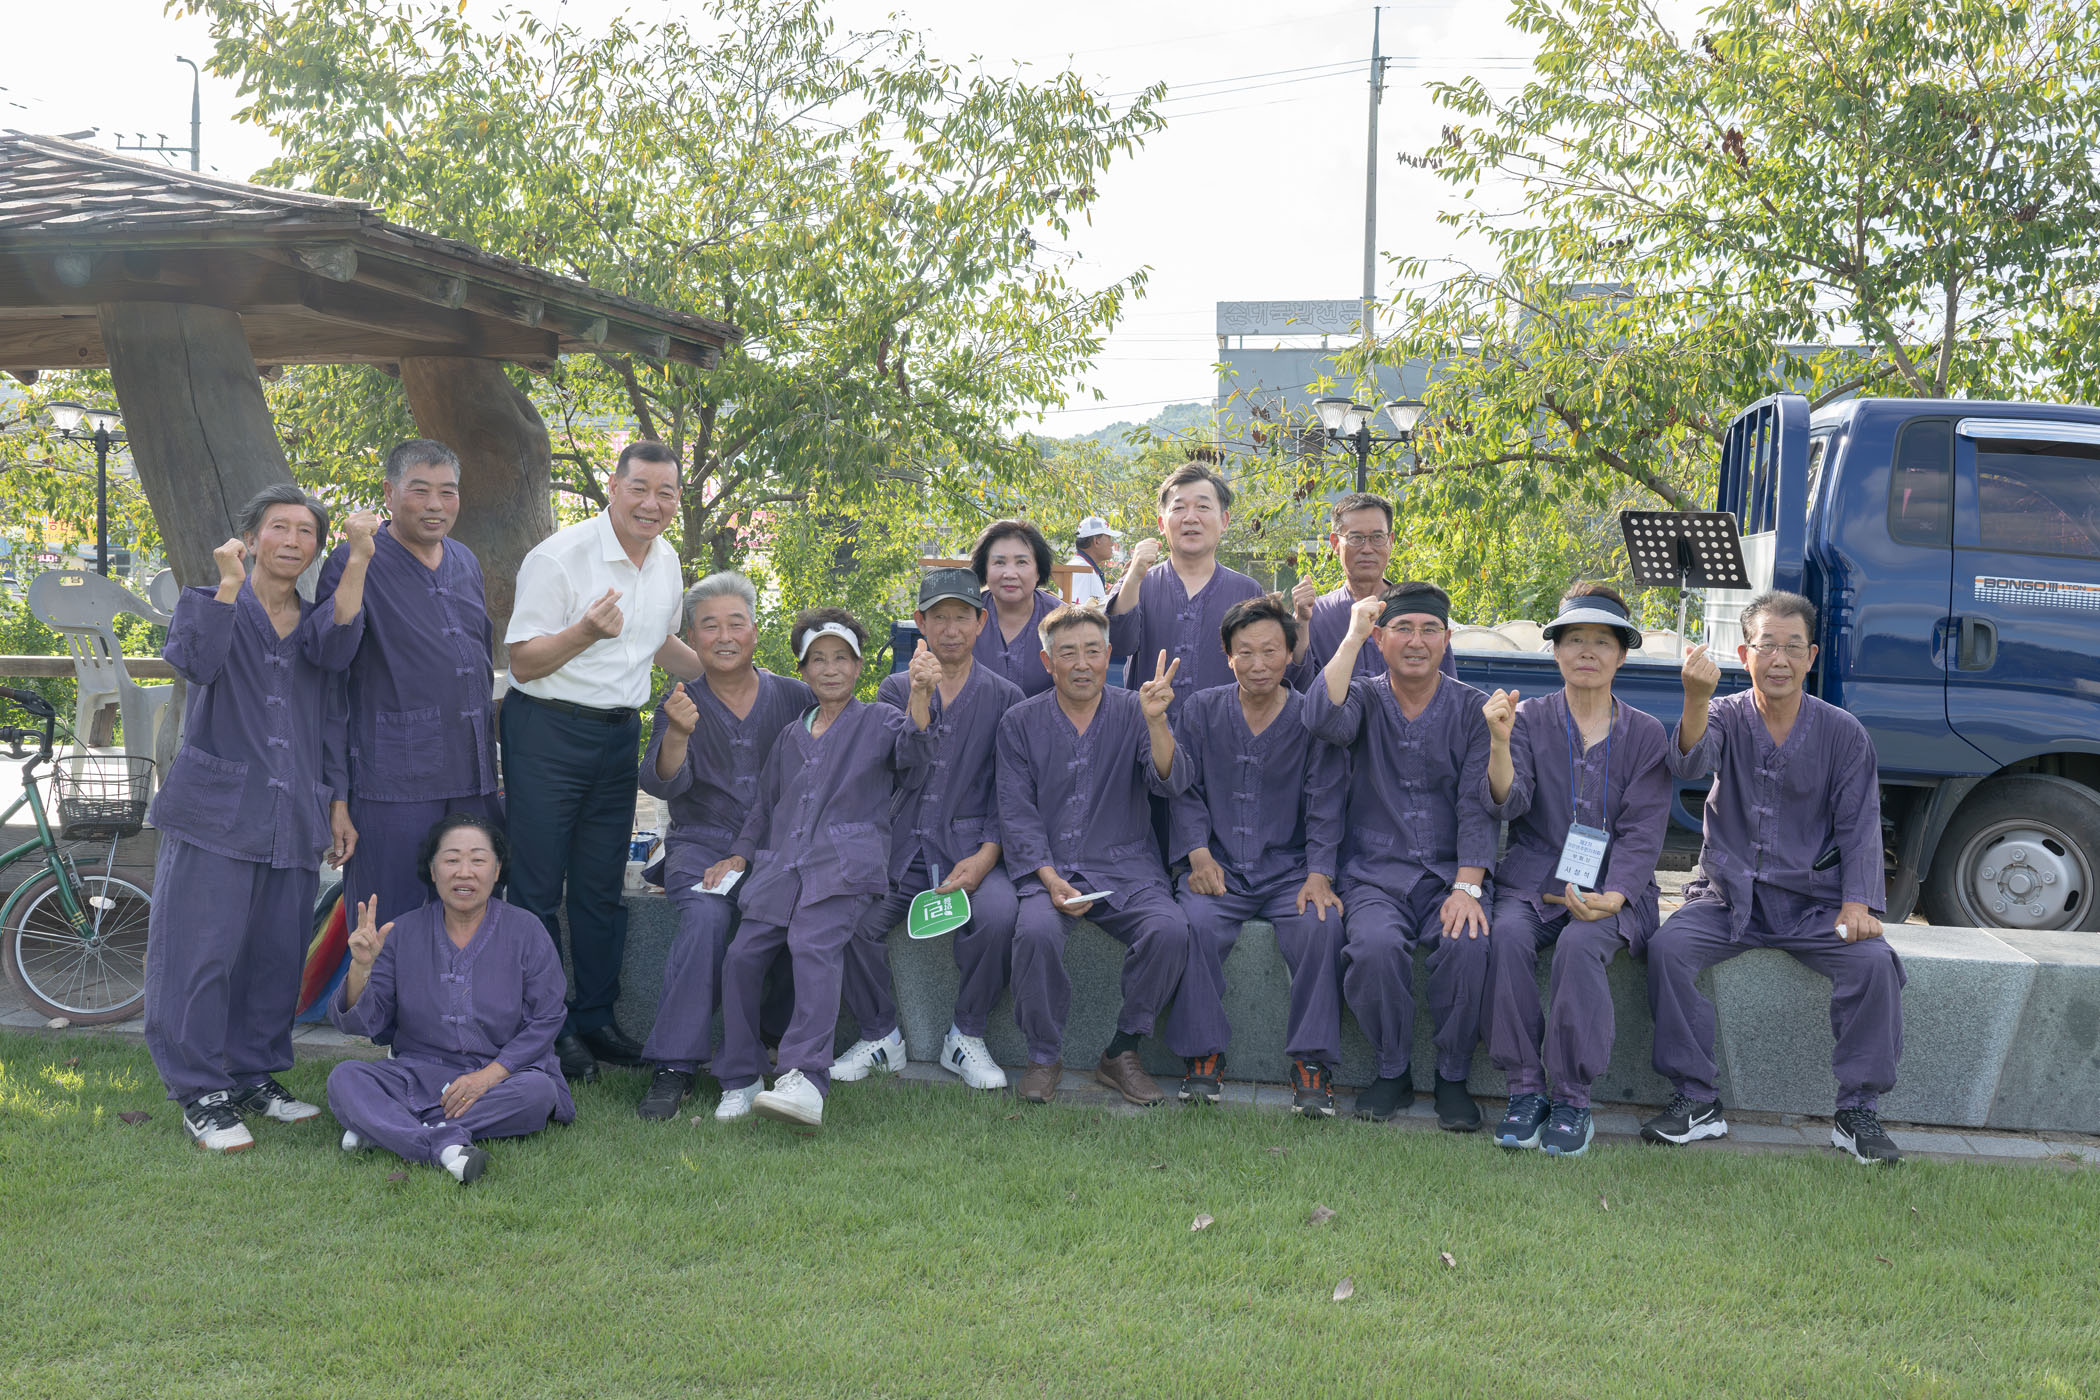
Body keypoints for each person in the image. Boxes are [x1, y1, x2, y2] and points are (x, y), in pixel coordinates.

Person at [143, 484, 373, 1153]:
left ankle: (251, 1074)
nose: (293, 540)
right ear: (251, 536)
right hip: (215, 811)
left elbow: (333, 702)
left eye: (307, 532)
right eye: (280, 527)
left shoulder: (317, 624)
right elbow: (193, 662)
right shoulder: (211, 599)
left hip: (292, 811)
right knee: (201, 953)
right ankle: (199, 1090)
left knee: (275, 954)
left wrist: (337, 802)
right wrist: (228, 584)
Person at [1644, 590, 1905, 1164]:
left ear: (1811, 656)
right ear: (1745, 654)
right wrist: (1694, 697)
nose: (1779, 659)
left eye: (1792, 647)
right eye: (1766, 646)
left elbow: (1860, 824)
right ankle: (1697, 1099)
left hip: (1813, 905)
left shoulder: (1843, 733)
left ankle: (1857, 1111)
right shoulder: (1724, 714)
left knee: (1874, 964)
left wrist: (1858, 903)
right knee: (1666, 949)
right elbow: (1687, 763)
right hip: (1726, 898)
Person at [501, 441, 703, 1085]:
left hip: (618, 735)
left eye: (666, 493)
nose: (652, 503)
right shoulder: (559, 557)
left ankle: (595, 1017)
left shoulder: (666, 559)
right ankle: (546, 1025)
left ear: (677, 500)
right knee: (536, 887)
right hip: (546, 731)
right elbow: (522, 663)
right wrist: (585, 631)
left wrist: (729, 670)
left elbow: (659, 642)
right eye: (639, 488)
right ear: (613, 488)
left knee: (599, 887)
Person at [703, 610, 937, 1128]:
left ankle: (806, 1078)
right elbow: (764, 806)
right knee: (741, 957)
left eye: (841, 658)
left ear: (858, 666)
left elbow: (915, 760)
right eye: (818, 660)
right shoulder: (790, 736)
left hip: (844, 868)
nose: (830, 669)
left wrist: (920, 694)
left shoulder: (880, 721)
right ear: (803, 670)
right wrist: (740, 854)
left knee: (812, 945)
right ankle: (740, 1077)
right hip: (781, 871)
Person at [1479, 584, 1672, 1156]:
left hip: (1616, 885)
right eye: (1575, 640)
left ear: (1622, 655)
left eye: (1602, 641)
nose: (1587, 651)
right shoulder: (1529, 720)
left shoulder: (1645, 733)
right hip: (1534, 879)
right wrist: (1498, 744)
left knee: (1580, 945)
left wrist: (1618, 893)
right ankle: (1524, 1090)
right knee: (1507, 935)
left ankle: (1571, 1099)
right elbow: (1510, 803)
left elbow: (1643, 830)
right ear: (1556, 651)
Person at [1304, 581, 1495, 1130]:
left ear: (1446, 639)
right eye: (1403, 629)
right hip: (1374, 874)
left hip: (1450, 873)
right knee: (1374, 947)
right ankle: (1393, 1069)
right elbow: (1320, 717)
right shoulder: (1362, 697)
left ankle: (1452, 1076)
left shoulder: (1472, 709)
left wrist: (1468, 887)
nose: (1416, 641)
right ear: (1380, 639)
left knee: (1467, 944)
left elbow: (1478, 804)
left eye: (1430, 630)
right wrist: (1351, 636)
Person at [632, 572, 814, 1120]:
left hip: (779, 848)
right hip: (701, 847)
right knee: (708, 917)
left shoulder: (794, 695)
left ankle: (773, 1040)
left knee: (801, 909)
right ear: (692, 637)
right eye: (710, 626)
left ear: (755, 631)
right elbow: (661, 782)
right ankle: (674, 1066)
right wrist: (678, 733)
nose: (725, 636)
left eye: (736, 623)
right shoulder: (680, 701)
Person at [835, 568, 1025, 1091]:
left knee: (999, 914)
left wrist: (986, 856)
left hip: (969, 849)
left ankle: (966, 1035)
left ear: (981, 622)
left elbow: (1009, 790)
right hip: (900, 847)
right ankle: (880, 1035)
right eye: (939, 617)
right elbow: (899, 769)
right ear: (920, 623)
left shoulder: (1006, 696)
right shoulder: (894, 687)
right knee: (847, 917)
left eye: (962, 617)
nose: (951, 629)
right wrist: (919, 697)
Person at [996, 604, 1193, 1106]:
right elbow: (1016, 814)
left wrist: (1157, 723)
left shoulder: (1136, 709)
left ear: (1109, 655)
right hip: (1050, 867)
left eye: (1092, 651)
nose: (1081, 664)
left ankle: (1122, 1051)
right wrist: (1048, 878)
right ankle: (1044, 1055)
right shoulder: (1019, 722)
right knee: (1035, 933)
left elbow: (1169, 782)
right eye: (1068, 653)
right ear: (1048, 662)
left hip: (1125, 865)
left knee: (1170, 930)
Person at [1163, 594, 1348, 1113]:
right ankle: (1203, 1055)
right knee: (1193, 923)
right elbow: (1185, 791)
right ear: (1228, 656)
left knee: (1322, 926)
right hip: (1218, 866)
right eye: (1244, 652)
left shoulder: (1311, 716)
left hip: (1289, 872)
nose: (1258, 663)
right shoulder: (1201, 709)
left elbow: (1325, 800)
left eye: (1270, 651)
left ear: (1290, 653)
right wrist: (1197, 854)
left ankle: (1312, 1063)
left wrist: (1319, 873)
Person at [315, 439, 502, 929]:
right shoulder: (355, 560)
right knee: (385, 919)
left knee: (472, 913)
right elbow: (329, 656)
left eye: (448, 491)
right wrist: (338, 797)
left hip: (472, 772)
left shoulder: (464, 560)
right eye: (420, 490)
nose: (435, 504)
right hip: (393, 781)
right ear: (389, 492)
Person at [326, 814, 572, 1185]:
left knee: (538, 1093)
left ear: (497, 869)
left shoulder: (527, 930)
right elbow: (364, 1023)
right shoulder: (402, 931)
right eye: (452, 859)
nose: (464, 872)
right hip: (417, 1072)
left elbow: (548, 1018)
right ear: (433, 869)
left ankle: (385, 1127)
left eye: (478, 860)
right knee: (345, 1076)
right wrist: (361, 968)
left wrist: (487, 1077)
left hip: (500, 1076)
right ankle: (441, 1143)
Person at [1109, 460, 1263, 722]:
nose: (1190, 518)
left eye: (1203, 507)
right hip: (1147, 733)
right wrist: (1133, 577)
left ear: (1224, 520)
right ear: (1162, 523)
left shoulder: (1247, 591)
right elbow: (1118, 644)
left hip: (1224, 733)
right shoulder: (1137, 584)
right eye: (1178, 508)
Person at [1286, 492, 1455, 689]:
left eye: (1377, 537)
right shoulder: (1316, 615)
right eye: (1356, 538)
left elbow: (1449, 692)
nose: (1367, 549)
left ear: (1390, 541)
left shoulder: (1421, 611)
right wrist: (1301, 622)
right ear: (1335, 544)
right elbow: (1299, 691)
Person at [970, 519, 1064, 696]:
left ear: (1038, 571)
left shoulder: (1064, 620)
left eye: (1021, 562)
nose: (1010, 574)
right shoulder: (967, 614)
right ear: (985, 569)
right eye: (999, 562)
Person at [1069, 514, 1120, 606]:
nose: (1112, 543)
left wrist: (1121, 583)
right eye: (1109, 538)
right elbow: (1077, 610)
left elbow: (1096, 604)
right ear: (1097, 541)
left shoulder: (1084, 566)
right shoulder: (1081, 569)